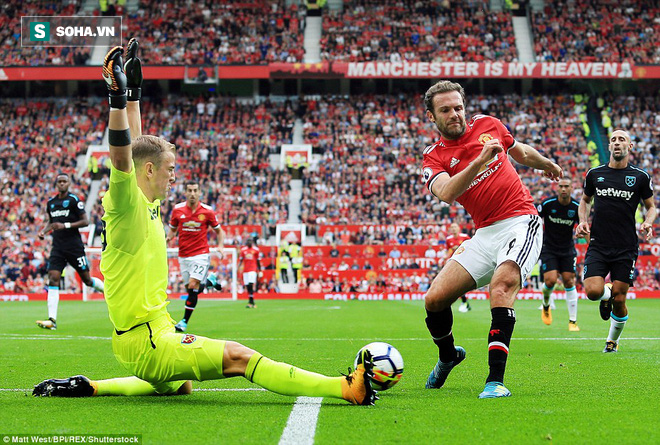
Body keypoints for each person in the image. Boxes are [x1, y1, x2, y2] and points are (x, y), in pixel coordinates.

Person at [32, 42, 377, 406]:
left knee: (181, 386)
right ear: (149, 172)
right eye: (170, 170)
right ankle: (344, 389)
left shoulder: (147, 200)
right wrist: (116, 100)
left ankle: (90, 386)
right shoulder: (125, 202)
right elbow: (121, 158)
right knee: (239, 356)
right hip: (146, 339)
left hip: (150, 332)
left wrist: (133, 96)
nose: (175, 178)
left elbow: (136, 147)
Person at [421, 80, 562, 398]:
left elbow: (520, 151)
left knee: (501, 286)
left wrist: (546, 164)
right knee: (434, 300)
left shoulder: (488, 124)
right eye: (445, 110)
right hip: (484, 233)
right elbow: (445, 192)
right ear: (432, 117)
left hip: (520, 221)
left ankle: (495, 381)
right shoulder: (433, 157)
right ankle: (448, 356)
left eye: (458, 107)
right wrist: (479, 161)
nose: (455, 114)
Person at [576, 129, 656, 353]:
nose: (617, 143)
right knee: (592, 291)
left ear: (630, 147)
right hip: (599, 244)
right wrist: (583, 220)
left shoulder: (640, 177)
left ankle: (612, 341)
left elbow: (651, 207)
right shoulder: (594, 174)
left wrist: (648, 222)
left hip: (626, 247)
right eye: (613, 140)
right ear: (609, 147)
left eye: (622, 140)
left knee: (620, 300)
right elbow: (585, 200)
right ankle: (605, 294)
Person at [36, 173, 104, 330]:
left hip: (74, 247)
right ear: (56, 184)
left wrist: (65, 225)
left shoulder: (73, 200)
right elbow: (51, 222)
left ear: (68, 184)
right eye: (59, 181)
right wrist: (43, 232)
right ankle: (52, 320)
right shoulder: (51, 203)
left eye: (64, 181)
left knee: (87, 280)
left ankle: (107, 292)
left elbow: (85, 221)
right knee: (53, 278)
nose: (61, 184)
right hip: (58, 248)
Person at [167, 179, 225, 333]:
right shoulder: (177, 210)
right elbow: (172, 229)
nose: (192, 194)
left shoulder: (207, 211)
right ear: (185, 192)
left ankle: (184, 321)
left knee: (193, 286)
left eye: (195, 191)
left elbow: (219, 231)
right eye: (189, 190)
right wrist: (168, 238)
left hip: (201, 254)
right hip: (183, 255)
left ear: (200, 193)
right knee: (192, 290)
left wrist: (220, 246)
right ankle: (209, 281)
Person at [537, 177, 581, 331]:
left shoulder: (576, 207)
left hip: (567, 249)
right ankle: (546, 305)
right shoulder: (547, 204)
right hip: (549, 248)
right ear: (557, 188)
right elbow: (535, 220)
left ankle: (573, 321)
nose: (563, 189)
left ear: (571, 188)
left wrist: (592, 244)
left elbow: (583, 226)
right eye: (561, 186)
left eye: (566, 186)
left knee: (569, 281)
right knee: (550, 281)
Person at [445, 222, 471, 313]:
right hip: (454, 263)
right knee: (455, 283)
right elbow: (448, 251)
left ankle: (464, 302)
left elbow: (471, 247)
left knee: (458, 283)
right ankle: (464, 302)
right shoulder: (448, 239)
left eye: (455, 227)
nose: (453, 229)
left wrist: (460, 248)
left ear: (458, 228)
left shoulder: (465, 237)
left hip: (464, 261)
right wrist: (446, 260)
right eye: (452, 227)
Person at [240, 238, 261, 308]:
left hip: (252, 269)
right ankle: (251, 302)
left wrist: (260, 270)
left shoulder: (256, 250)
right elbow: (241, 260)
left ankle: (251, 302)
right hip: (245, 270)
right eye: (248, 242)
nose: (249, 243)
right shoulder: (243, 250)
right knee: (248, 286)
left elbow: (258, 261)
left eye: (250, 242)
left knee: (251, 284)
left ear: (252, 242)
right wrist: (238, 267)